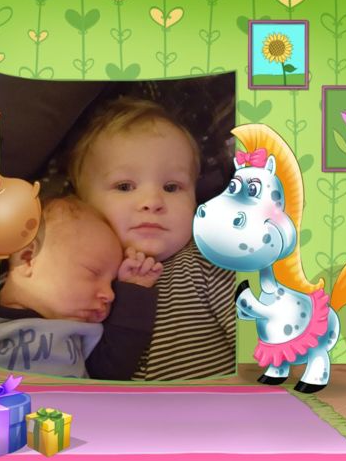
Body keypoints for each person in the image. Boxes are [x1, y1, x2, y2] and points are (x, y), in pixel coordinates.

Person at [69, 97, 237, 380]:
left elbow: (260, 349)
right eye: (125, 186)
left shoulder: (210, 258)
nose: (152, 202)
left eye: (172, 187)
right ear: (82, 204)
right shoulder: (73, 270)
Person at [0, 196, 161, 378]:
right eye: (93, 273)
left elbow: (112, 369)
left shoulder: (82, 333)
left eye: (112, 283)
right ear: (28, 258)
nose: (110, 295)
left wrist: (135, 289)